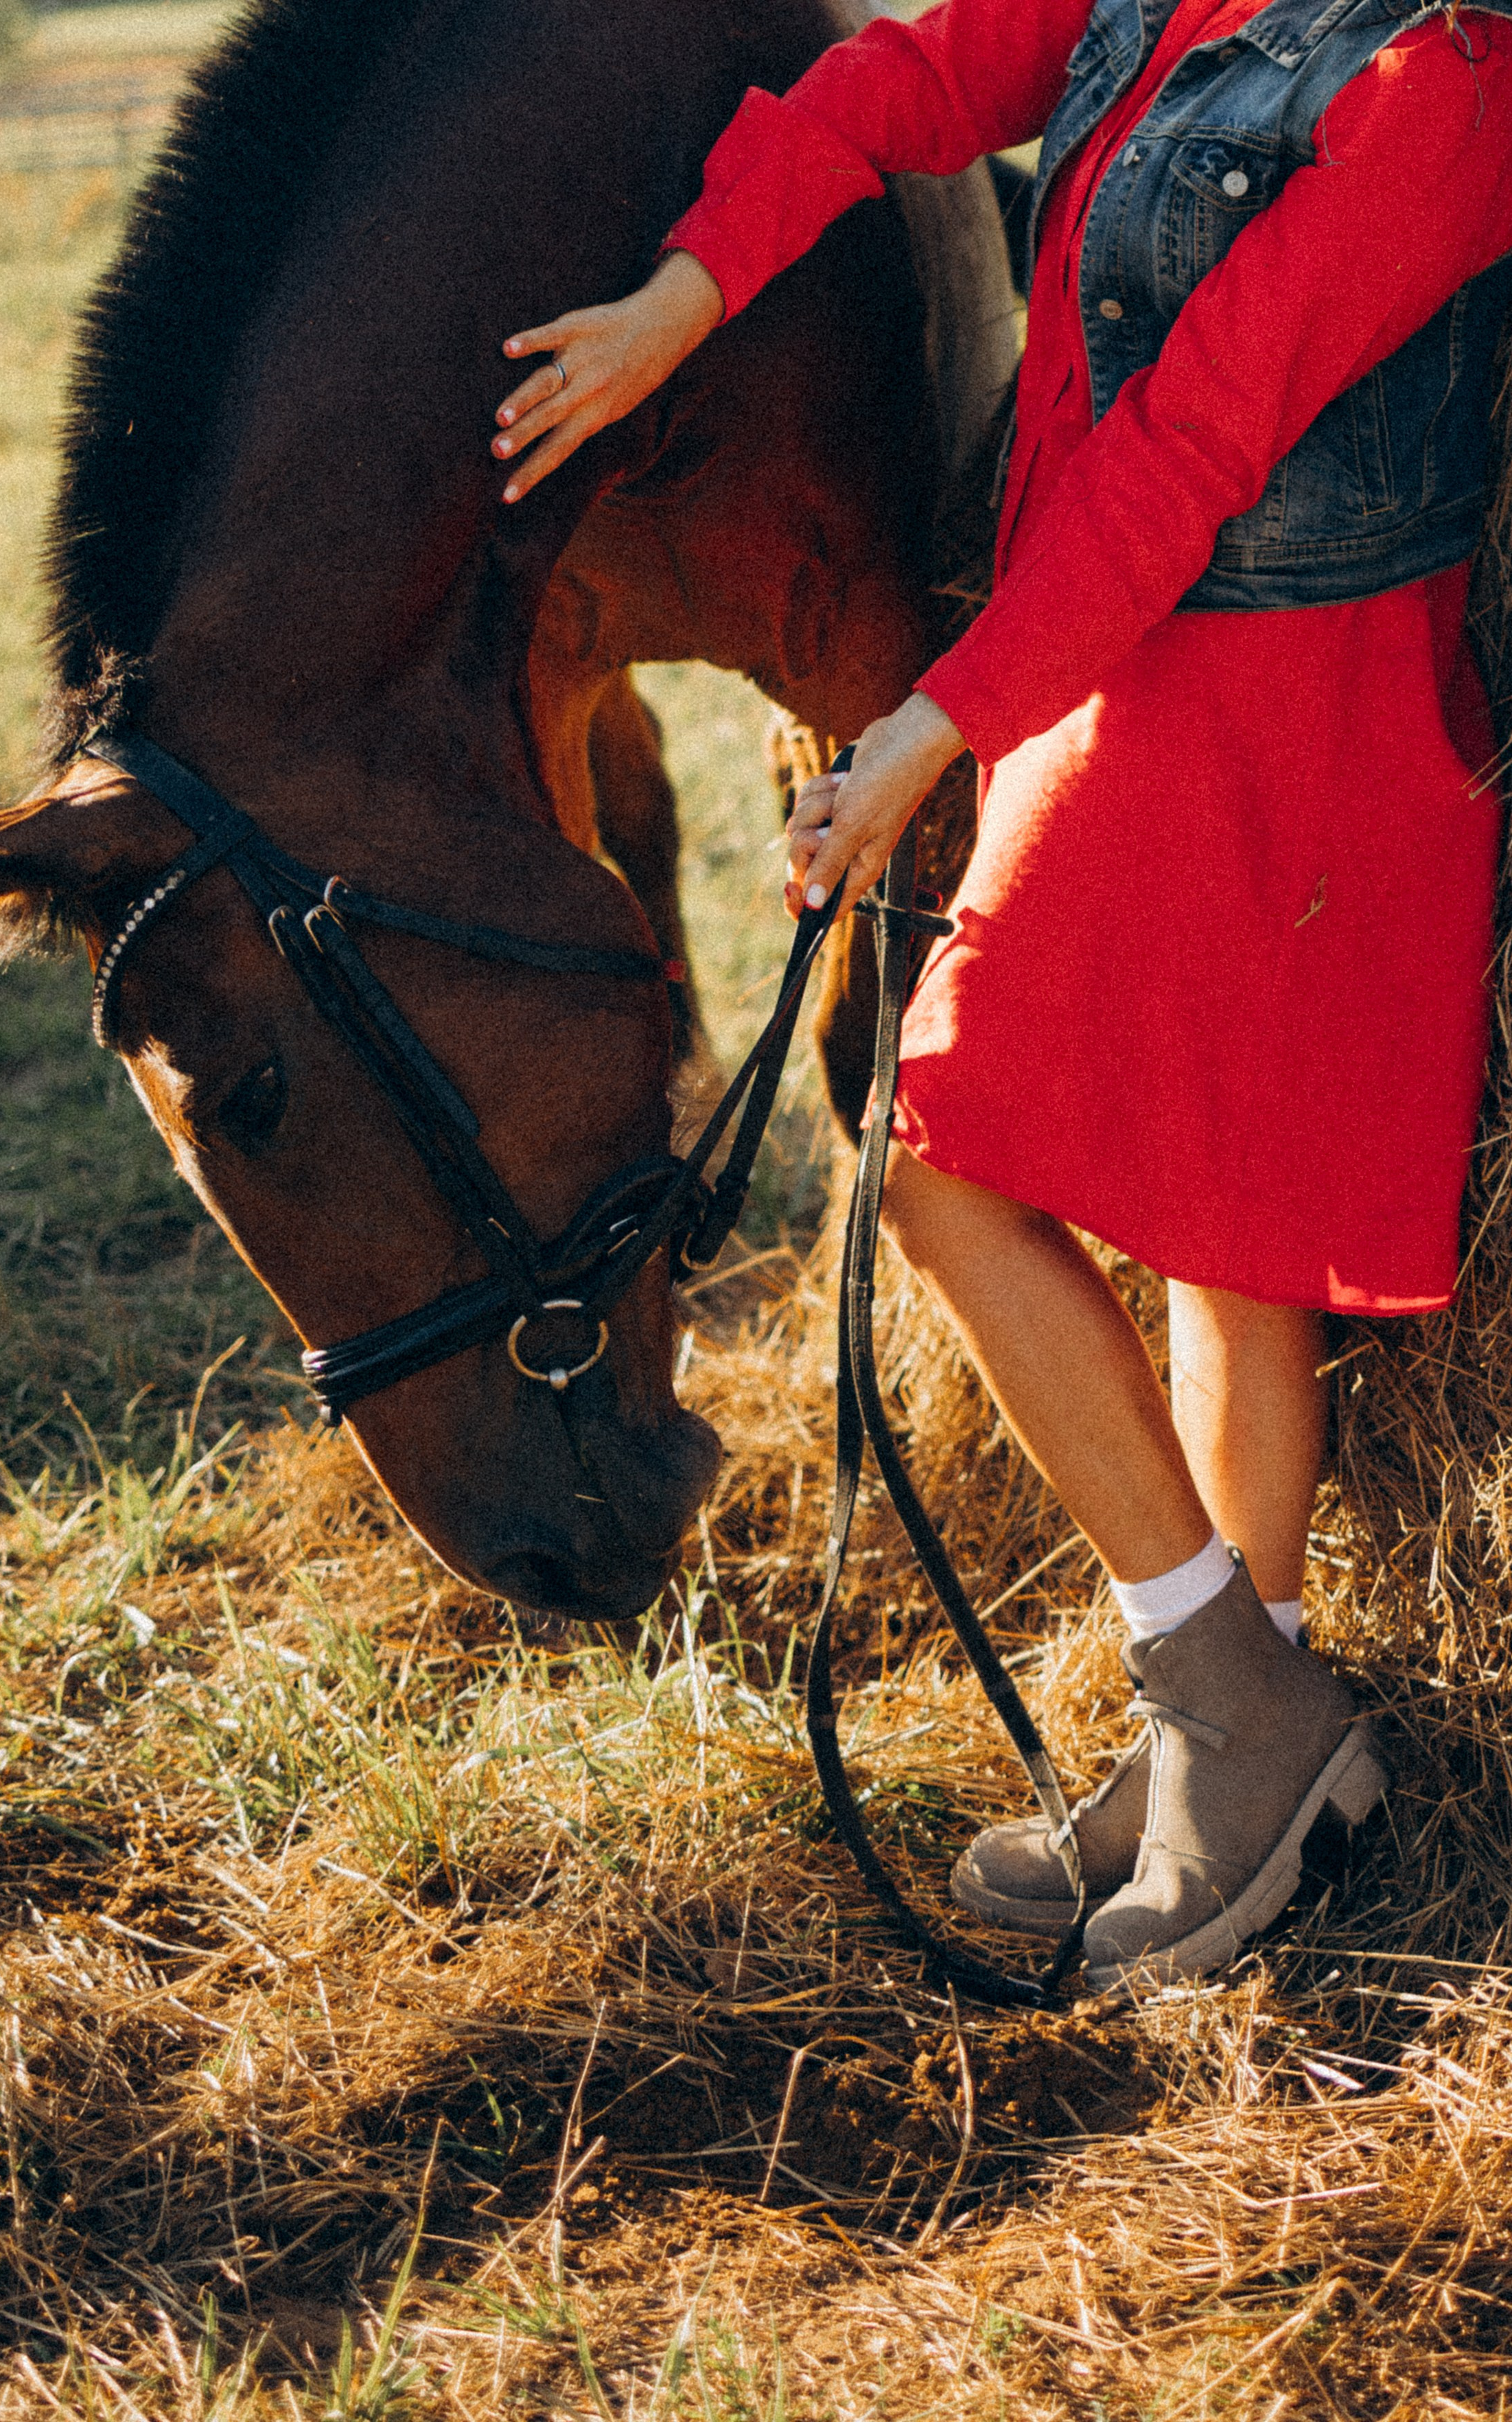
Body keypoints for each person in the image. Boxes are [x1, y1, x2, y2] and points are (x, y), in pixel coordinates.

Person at [487, 0, 1512, 1990]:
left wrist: (934, 728)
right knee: (1216, 1249)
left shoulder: (1444, 88)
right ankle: (1247, 1723)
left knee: (945, 1158)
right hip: (1132, 665)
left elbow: (1203, 434)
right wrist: (679, 304)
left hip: (1275, 702)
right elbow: (892, 86)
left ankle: (1227, 1706)